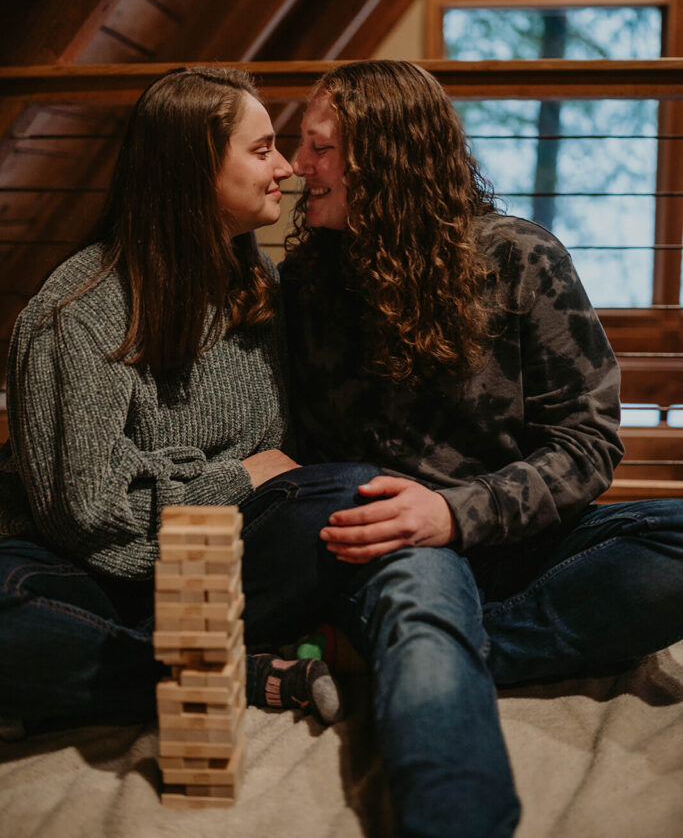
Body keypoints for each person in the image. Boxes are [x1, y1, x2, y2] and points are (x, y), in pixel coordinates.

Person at [280, 59, 683, 837]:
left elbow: (588, 441)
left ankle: (403, 655)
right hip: (399, 553)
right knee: (422, 604)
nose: (301, 167)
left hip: (519, 543)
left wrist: (457, 513)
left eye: (319, 148)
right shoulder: (305, 283)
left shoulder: (519, 258)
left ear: (385, 155)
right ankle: (424, 653)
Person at [0, 65, 379, 737]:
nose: (288, 167)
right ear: (193, 167)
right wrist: (231, 479)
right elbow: (84, 511)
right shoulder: (78, 311)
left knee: (350, 494)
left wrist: (232, 491)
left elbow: (281, 467)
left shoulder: (253, 280)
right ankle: (231, 672)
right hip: (78, 562)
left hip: (210, 559)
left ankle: (124, 663)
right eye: (261, 149)